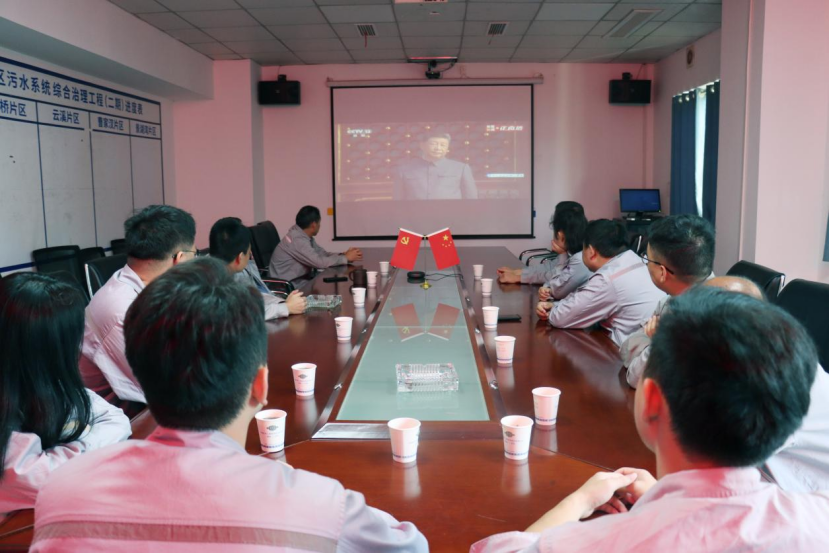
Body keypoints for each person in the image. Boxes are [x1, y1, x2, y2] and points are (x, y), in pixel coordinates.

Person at [32, 258, 428, 552]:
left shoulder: (61, 494)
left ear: (138, 372)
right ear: (260, 385)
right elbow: (412, 546)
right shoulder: (319, 506)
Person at [473, 287, 829, 552]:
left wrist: (578, 502)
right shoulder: (816, 519)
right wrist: (664, 496)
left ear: (653, 401)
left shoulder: (604, 543)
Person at [0, 273, 130, 515]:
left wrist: (71, 453)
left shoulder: (40, 381)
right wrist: (87, 446)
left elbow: (115, 419)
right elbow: (34, 478)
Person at [703, 276, 829, 493]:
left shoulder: (776, 381)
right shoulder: (751, 358)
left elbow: (717, 473)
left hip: (811, 501)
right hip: (772, 480)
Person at [80, 205, 196, 408]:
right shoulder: (122, 312)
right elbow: (168, 388)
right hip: (126, 415)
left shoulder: (149, 286)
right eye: (195, 254)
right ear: (180, 258)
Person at [620, 214, 715, 388]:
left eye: (647, 259)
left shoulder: (693, 321)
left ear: (662, 272)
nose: (646, 263)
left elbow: (636, 379)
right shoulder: (671, 299)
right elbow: (626, 349)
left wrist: (657, 341)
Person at [536, 219, 664, 346]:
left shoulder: (609, 278)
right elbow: (580, 301)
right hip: (654, 346)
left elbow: (561, 317)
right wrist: (555, 305)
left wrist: (551, 309)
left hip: (627, 352)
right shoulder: (634, 260)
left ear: (591, 252)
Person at [209, 217, 306, 320]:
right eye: (249, 253)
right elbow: (246, 314)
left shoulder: (211, 270)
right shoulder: (220, 285)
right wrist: (286, 307)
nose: (250, 255)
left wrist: (284, 303)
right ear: (239, 258)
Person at [498, 202, 592, 302]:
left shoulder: (580, 258)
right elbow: (549, 268)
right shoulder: (572, 250)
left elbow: (556, 287)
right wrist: (518, 272)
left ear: (561, 234)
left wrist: (518, 278)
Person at [269, 205, 362, 283]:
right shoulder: (297, 240)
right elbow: (319, 262)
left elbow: (322, 254)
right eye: (319, 223)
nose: (320, 226)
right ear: (313, 225)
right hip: (288, 286)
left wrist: (343, 255)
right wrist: (345, 258)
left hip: (300, 281)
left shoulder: (303, 236)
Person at [392, 131, 478, 200]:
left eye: (443, 145)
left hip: (450, 215)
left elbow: (471, 198)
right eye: (433, 144)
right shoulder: (404, 170)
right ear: (422, 145)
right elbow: (397, 200)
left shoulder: (461, 168)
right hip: (415, 215)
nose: (438, 148)